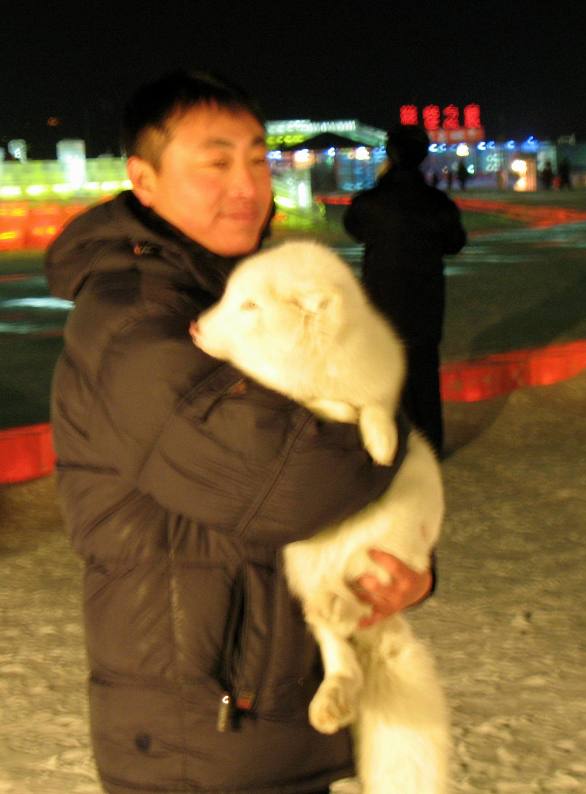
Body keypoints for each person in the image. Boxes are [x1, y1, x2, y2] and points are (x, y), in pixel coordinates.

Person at [44, 70, 434, 794]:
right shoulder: (134, 325)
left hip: (276, 711)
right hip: (203, 737)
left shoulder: (242, 292)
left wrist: (401, 566)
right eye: (215, 162)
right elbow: (293, 483)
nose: (247, 185)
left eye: (256, 158)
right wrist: (385, 419)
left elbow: (349, 437)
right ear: (144, 179)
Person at [343, 124, 467, 456]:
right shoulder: (437, 203)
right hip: (425, 300)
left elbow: (353, 228)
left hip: (382, 299)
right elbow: (454, 242)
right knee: (424, 372)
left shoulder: (371, 202)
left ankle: (390, 446)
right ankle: (429, 445)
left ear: (390, 154)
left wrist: (383, 182)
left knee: (385, 373)